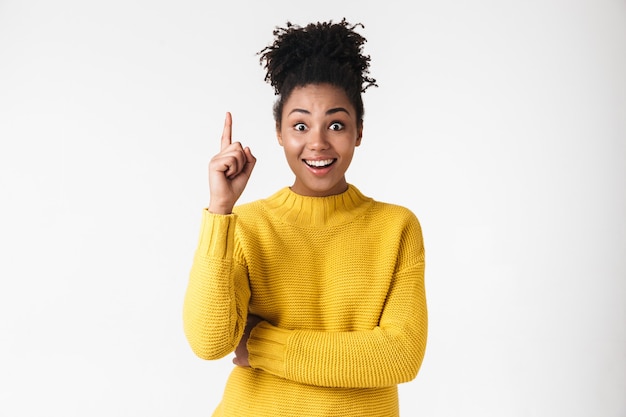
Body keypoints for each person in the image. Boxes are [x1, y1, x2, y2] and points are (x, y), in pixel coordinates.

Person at [183, 19, 427, 417]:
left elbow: (400, 356)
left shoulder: (396, 227)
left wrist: (260, 343)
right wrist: (220, 211)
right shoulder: (245, 225)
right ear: (279, 133)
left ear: (358, 132)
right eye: (300, 125)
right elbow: (209, 343)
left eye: (336, 124)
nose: (317, 143)